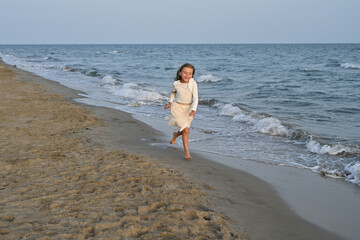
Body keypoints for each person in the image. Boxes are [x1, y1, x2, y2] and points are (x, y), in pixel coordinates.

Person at [164, 63, 198, 159]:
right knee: (186, 130)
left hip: (188, 109)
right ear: (180, 73)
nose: (187, 75)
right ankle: (187, 152)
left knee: (184, 130)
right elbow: (173, 93)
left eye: (190, 73)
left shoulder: (193, 84)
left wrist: (193, 110)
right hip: (178, 108)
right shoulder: (176, 84)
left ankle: (175, 135)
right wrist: (170, 103)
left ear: (192, 75)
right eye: (185, 73)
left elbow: (196, 98)